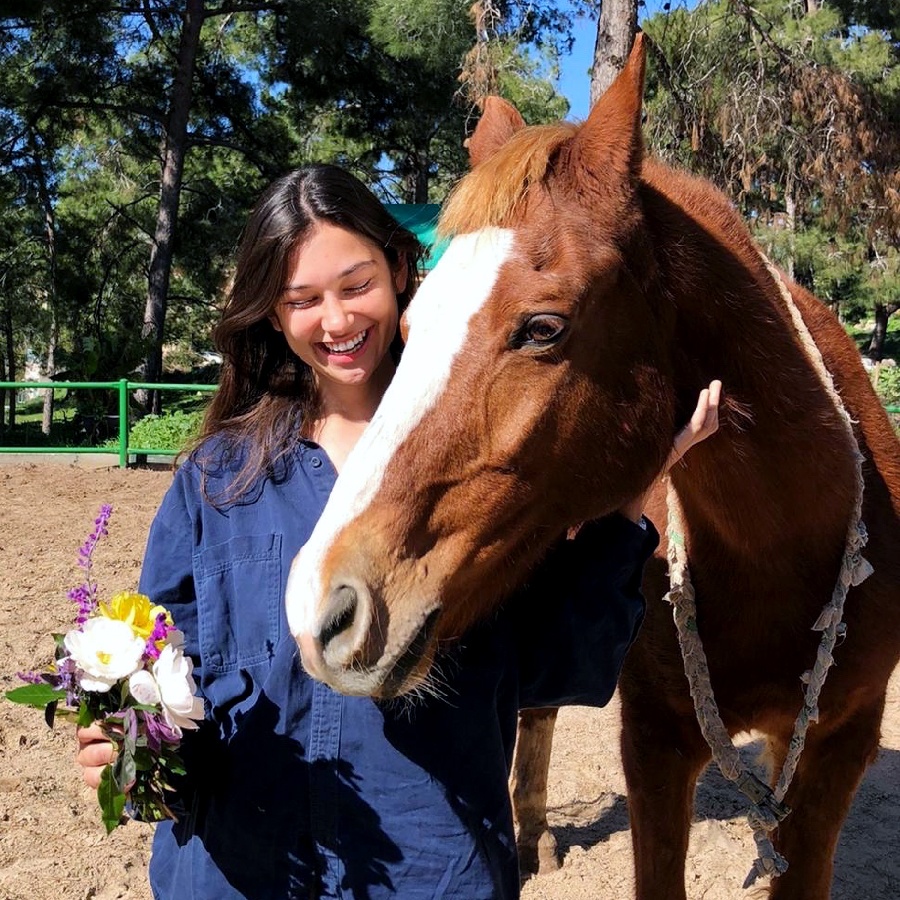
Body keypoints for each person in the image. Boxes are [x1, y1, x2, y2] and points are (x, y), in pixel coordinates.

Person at [76, 163, 720, 900]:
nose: (338, 321)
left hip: (429, 874)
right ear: (272, 314)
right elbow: (167, 663)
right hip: (237, 875)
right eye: (303, 300)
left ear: (400, 270)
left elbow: (564, 670)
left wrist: (631, 502)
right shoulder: (217, 479)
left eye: (357, 286)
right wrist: (129, 744)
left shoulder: (490, 470)